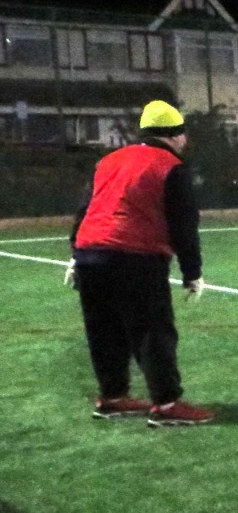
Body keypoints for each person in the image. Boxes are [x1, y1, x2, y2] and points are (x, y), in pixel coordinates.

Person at [67, 100, 213, 427]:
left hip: (90, 255)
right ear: (174, 136)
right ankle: (166, 404)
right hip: (134, 257)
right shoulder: (170, 165)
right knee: (153, 332)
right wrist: (193, 272)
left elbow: (86, 209)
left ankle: (113, 398)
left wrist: (75, 255)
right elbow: (184, 224)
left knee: (104, 330)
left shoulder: (107, 161)